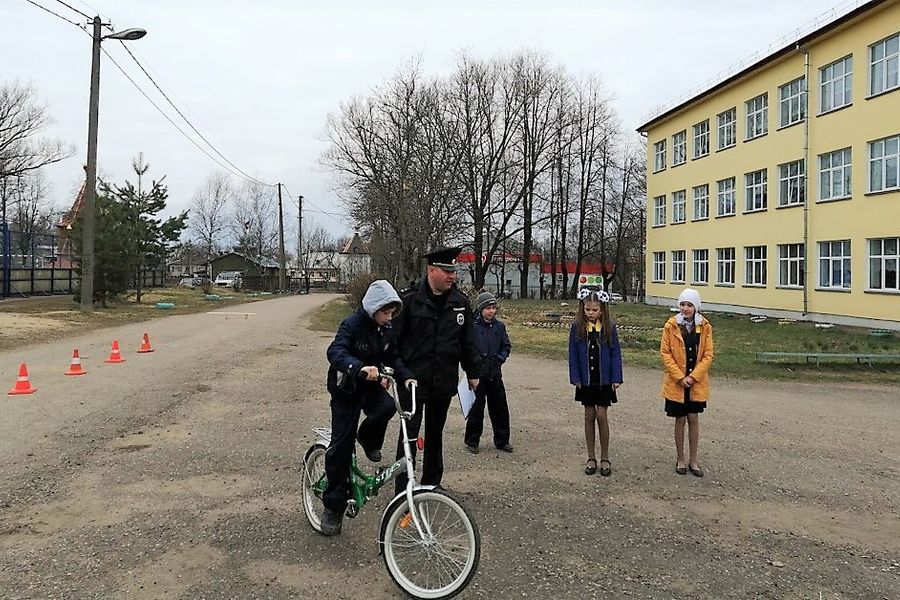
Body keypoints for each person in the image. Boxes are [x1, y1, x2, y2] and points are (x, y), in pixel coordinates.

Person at [321, 280, 412, 535]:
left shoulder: (385, 328)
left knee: (387, 406)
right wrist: (357, 367)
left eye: (392, 313)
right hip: (347, 389)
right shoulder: (352, 324)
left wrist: (406, 375)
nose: (389, 317)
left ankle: (368, 438)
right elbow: (335, 351)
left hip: (370, 387)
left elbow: (392, 355)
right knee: (340, 447)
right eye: (386, 312)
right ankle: (333, 506)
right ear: (373, 307)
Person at [393, 246, 481, 494]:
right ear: (431, 271)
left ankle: (432, 482)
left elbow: (467, 342)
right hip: (413, 381)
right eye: (446, 271)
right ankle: (403, 488)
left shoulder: (460, 303)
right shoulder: (409, 300)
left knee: (435, 432)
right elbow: (394, 342)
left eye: (454, 271)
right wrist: (396, 372)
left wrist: (473, 372)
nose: (452, 276)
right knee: (409, 435)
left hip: (443, 379)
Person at [568, 285, 623, 476]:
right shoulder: (577, 328)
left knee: (602, 415)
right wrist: (575, 377)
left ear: (602, 310)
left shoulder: (609, 328)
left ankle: (605, 457)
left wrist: (617, 377)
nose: (591, 313)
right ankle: (591, 457)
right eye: (587, 309)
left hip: (604, 381)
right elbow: (573, 354)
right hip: (586, 381)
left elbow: (616, 353)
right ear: (582, 308)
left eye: (595, 310)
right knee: (589, 415)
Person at [660, 288, 715, 478]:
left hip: (695, 382)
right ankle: (680, 458)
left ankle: (693, 459)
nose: (685, 308)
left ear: (696, 307)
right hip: (677, 383)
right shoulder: (671, 326)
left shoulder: (705, 327)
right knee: (680, 419)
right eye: (682, 304)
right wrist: (679, 377)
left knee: (693, 418)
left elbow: (708, 355)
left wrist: (693, 377)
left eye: (689, 305)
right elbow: (665, 353)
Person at [464, 291, 513, 454]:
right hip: (478, 376)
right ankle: (472, 440)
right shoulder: (472, 327)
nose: (491, 311)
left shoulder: (500, 327)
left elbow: (506, 345)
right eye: (487, 308)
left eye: (493, 308)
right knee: (476, 410)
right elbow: (467, 348)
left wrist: (500, 358)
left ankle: (502, 440)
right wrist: (474, 365)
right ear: (480, 309)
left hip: (495, 373)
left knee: (500, 408)